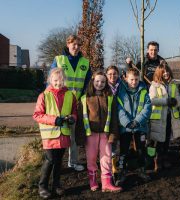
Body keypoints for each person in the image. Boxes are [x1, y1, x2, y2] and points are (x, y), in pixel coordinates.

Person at [33, 68, 77, 199]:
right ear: (50, 80)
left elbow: (75, 111)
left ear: (65, 80)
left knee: (58, 162)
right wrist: (54, 120)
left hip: (63, 134)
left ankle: (56, 185)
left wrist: (73, 118)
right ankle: (43, 186)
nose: (58, 83)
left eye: (61, 80)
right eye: (55, 80)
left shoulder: (70, 94)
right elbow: (37, 115)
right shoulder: (44, 95)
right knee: (50, 159)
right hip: (50, 135)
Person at [50, 34, 91, 172]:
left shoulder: (85, 63)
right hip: (58, 103)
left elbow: (88, 85)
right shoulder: (59, 60)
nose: (76, 47)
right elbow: (50, 81)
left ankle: (72, 162)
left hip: (75, 104)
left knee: (72, 136)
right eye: (74, 44)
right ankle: (54, 164)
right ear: (68, 44)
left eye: (79, 45)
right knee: (57, 135)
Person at [76, 70, 122, 192]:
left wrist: (113, 135)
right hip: (90, 134)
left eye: (102, 81)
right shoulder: (85, 98)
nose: (100, 84)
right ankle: (93, 181)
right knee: (91, 158)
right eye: (97, 81)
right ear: (92, 82)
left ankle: (106, 183)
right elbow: (80, 119)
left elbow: (114, 119)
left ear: (106, 82)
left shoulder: (110, 98)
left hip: (106, 135)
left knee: (106, 157)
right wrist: (80, 137)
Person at [115, 68, 152, 186]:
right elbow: (119, 108)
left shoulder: (144, 91)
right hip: (125, 127)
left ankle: (142, 170)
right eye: (131, 79)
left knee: (141, 150)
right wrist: (126, 122)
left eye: (136, 79)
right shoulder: (121, 91)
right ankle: (122, 171)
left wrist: (137, 121)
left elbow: (147, 108)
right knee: (124, 150)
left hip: (139, 127)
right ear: (126, 79)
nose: (134, 82)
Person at [149, 63, 180, 172]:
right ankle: (157, 160)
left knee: (167, 139)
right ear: (159, 74)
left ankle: (165, 157)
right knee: (159, 140)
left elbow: (179, 100)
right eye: (163, 72)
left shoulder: (173, 85)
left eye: (167, 71)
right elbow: (152, 100)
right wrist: (166, 101)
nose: (166, 73)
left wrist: (175, 102)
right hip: (158, 118)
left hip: (170, 117)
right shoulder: (154, 85)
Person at [105, 65, 122, 181]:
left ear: (118, 74)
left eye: (114, 74)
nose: (112, 76)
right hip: (108, 120)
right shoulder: (104, 86)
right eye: (110, 74)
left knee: (117, 144)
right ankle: (108, 168)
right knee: (108, 144)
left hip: (120, 118)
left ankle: (116, 167)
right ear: (106, 75)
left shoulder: (122, 86)